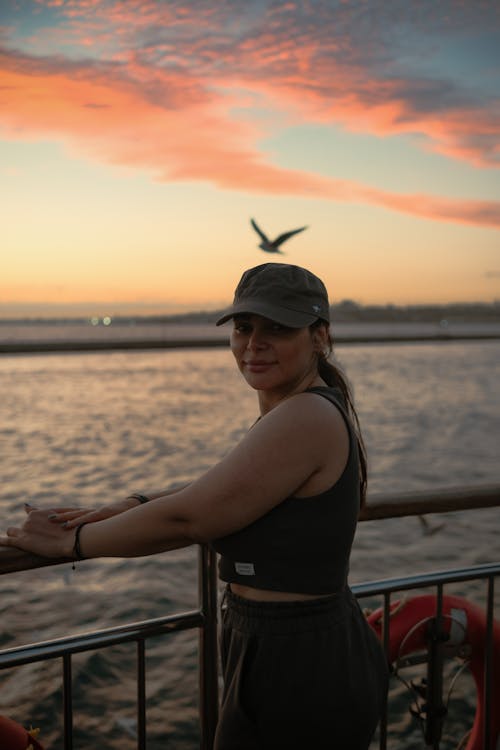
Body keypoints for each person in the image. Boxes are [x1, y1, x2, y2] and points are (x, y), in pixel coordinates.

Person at [1, 262, 388, 749]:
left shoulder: (308, 414)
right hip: (281, 646)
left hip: (303, 659)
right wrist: (125, 505)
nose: (254, 343)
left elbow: (194, 516)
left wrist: (73, 543)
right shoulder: (299, 408)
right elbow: (221, 488)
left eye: (278, 328)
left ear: (320, 337)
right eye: (244, 327)